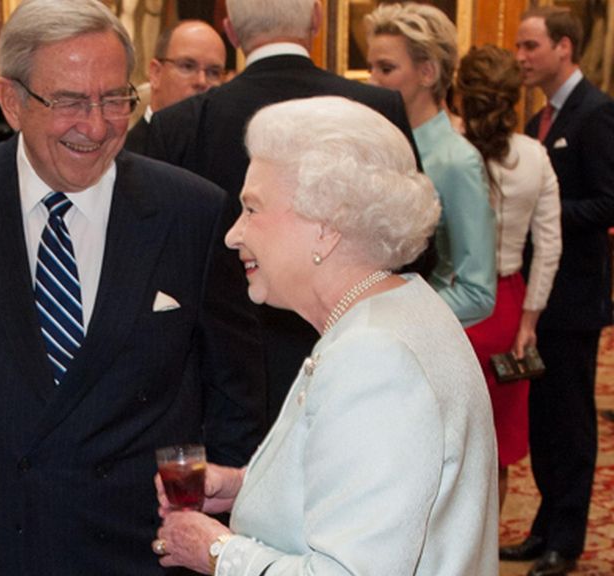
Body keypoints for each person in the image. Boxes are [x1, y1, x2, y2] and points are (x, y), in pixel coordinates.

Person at [0, 0, 266, 574]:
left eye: (115, 99)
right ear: (11, 100)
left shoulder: (191, 210)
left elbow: (236, 397)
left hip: (143, 553)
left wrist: (207, 533)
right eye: (70, 101)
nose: (96, 126)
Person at [152, 95, 497, 576]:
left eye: (252, 208)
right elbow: (370, 487)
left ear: (326, 227)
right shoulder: (394, 310)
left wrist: (218, 552)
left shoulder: (375, 357)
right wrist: (243, 486)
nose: (234, 234)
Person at [145, 0, 421, 426]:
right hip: (364, 366)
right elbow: (411, 247)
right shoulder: (379, 107)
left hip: (223, 390)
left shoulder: (179, 125)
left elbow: (164, 269)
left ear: (230, 32)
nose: (236, 232)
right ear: (317, 19)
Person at [499, 8, 614, 576]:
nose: (521, 57)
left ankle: (565, 540)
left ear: (564, 48)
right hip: (538, 297)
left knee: (570, 423)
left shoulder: (596, 113)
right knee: (543, 419)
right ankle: (545, 526)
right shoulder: (541, 114)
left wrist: (542, 211)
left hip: (574, 301)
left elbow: (609, 201)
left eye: (530, 46)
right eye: (518, 47)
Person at [456, 44, 562, 516]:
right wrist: (529, 321)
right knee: (495, 451)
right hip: (505, 306)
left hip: (450, 301)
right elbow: (550, 245)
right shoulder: (534, 155)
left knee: (445, 444)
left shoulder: (445, 152)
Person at [366, 2, 496, 328]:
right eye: (371, 68)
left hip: (417, 337)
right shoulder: (377, 148)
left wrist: (389, 313)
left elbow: (477, 292)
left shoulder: (457, 161)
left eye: (385, 68)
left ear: (428, 72)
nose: (371, 80)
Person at [124, 20, 226, 154]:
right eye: (187, 66)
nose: (201, 81)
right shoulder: (122, 157)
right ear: (156, 73)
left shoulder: (224, 153)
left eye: (214, 72)